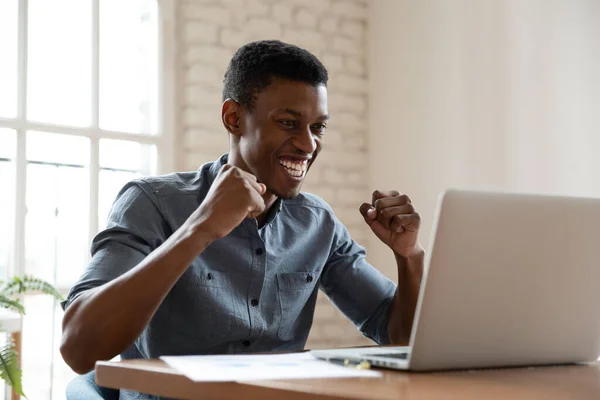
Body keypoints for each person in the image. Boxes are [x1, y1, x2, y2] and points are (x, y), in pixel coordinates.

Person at [60, 40, 424, 397]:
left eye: (318, 128)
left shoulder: (318, 224)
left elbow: (401, 339)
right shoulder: (152, 203)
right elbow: (78, 348)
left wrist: (409, 257)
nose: (309, 144)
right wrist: (199, 229)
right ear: (234, 118)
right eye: (288, 123)